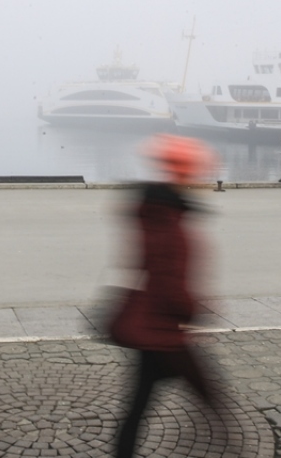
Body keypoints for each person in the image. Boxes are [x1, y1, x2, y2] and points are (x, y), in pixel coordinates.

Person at [110, 135, 225, 458]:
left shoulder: (154, 210)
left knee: (140, 406)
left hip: (153, 327)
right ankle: (231, 445)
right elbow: (170, 281)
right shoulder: (169, 221)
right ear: (188, 173)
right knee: (213, 399)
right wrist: (193, 313)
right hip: (164, 331)